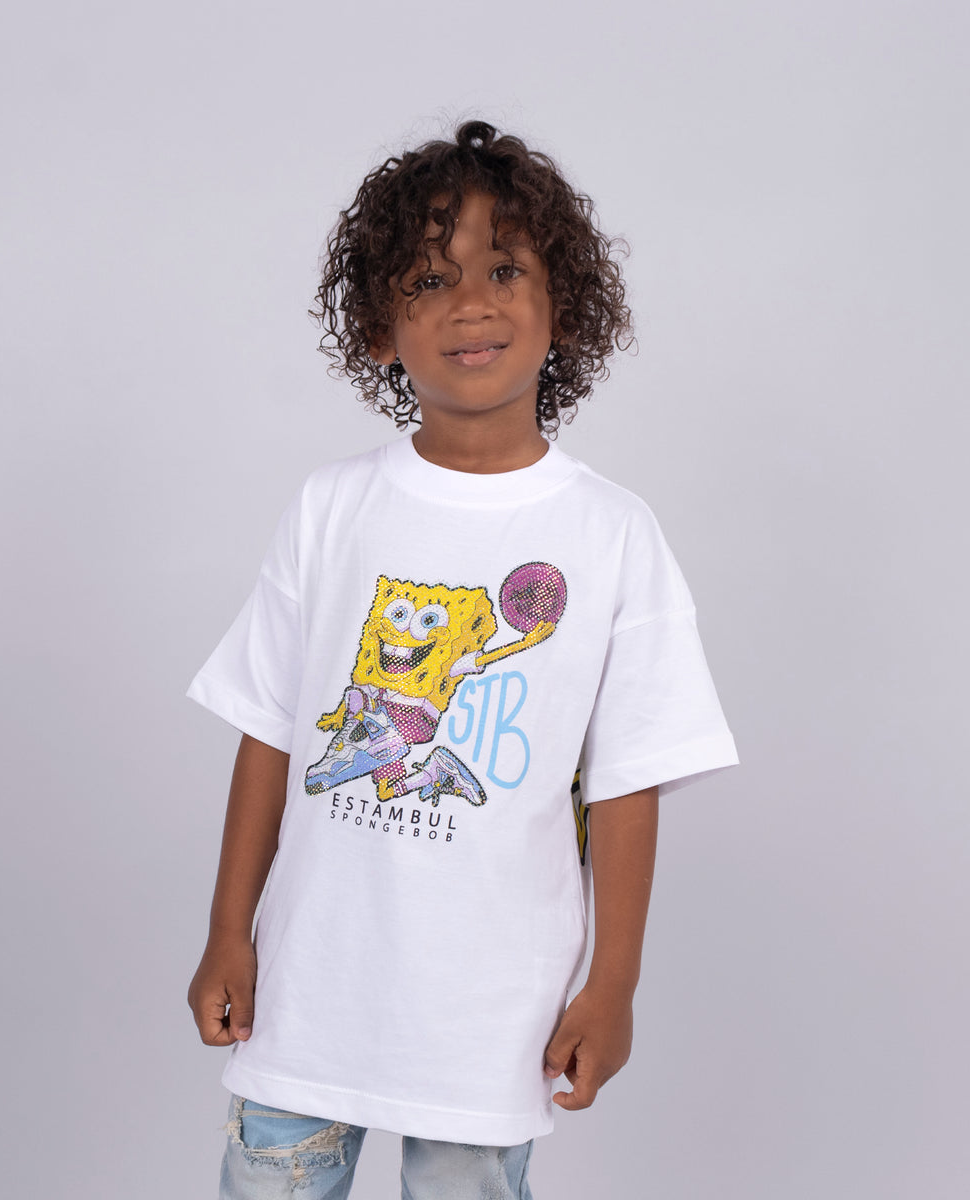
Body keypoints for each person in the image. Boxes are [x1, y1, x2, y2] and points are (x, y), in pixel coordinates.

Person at [185, 119, 739, 1199]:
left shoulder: (613, 535)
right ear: (379, 329)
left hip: (492, 1013)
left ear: (564, 305)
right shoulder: (332, 508)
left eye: (504, 271)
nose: (471, 304)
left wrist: (613, 984)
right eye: (430, 280)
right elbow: (268, 730)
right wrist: (226, 934)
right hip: (309, 990)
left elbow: (629, 781)